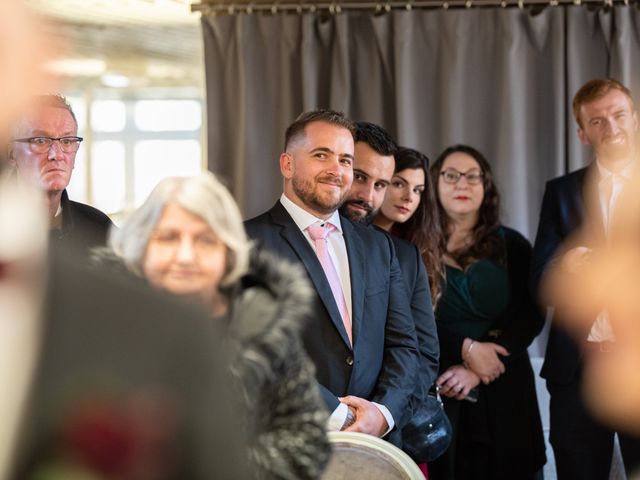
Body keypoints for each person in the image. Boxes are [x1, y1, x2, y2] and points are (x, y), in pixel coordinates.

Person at [103, 172, 330, 480]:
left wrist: (213, 466)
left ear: (228, 253)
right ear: (142, 247)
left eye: (205, 240)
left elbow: (308, 440)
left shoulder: (265, 324)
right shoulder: (102, 321)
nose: (185, 256)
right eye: (168, 237)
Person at [244, 109, 420, 443]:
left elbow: (404, 345)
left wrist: (382, 415)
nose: (336, 170)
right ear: (287, 164)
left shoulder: (379, 246)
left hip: (376, 449)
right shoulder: (243, 244)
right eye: (321, 155)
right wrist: (341, 418)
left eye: (345, 160)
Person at [532, 78, 640, 479]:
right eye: (597, 121)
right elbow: (540, 280)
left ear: (635, 119)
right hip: (576, 371)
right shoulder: (560, 193)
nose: (610, 128)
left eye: (618, 115)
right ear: (582, 133)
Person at [428, 144, 546, 480]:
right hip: (443, 382)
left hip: (504, 380)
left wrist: (478, 369)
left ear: (486, 186)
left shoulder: (515, 245)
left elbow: (530, 314)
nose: (461, 184)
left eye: (472, 177)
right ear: (435, 183)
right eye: (451, 176)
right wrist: (464, 353)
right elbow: (410, 319)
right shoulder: (413, 247)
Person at [339, 123, 439, 459]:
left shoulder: (406, 256)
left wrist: (384, 414)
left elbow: (424, 352)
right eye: (359, 176)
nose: (368, 195)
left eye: (380, 184)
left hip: (384, 438)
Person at [8, 94, 113, 255]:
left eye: (67, 141)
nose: (56, 155)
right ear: (11, 153)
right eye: (40, 141)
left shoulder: (99, 230)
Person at [372, 147, 444, 305]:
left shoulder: (417, 246)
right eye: (398, 184)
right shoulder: (350, 235)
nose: (409, 197)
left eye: (417, 190)